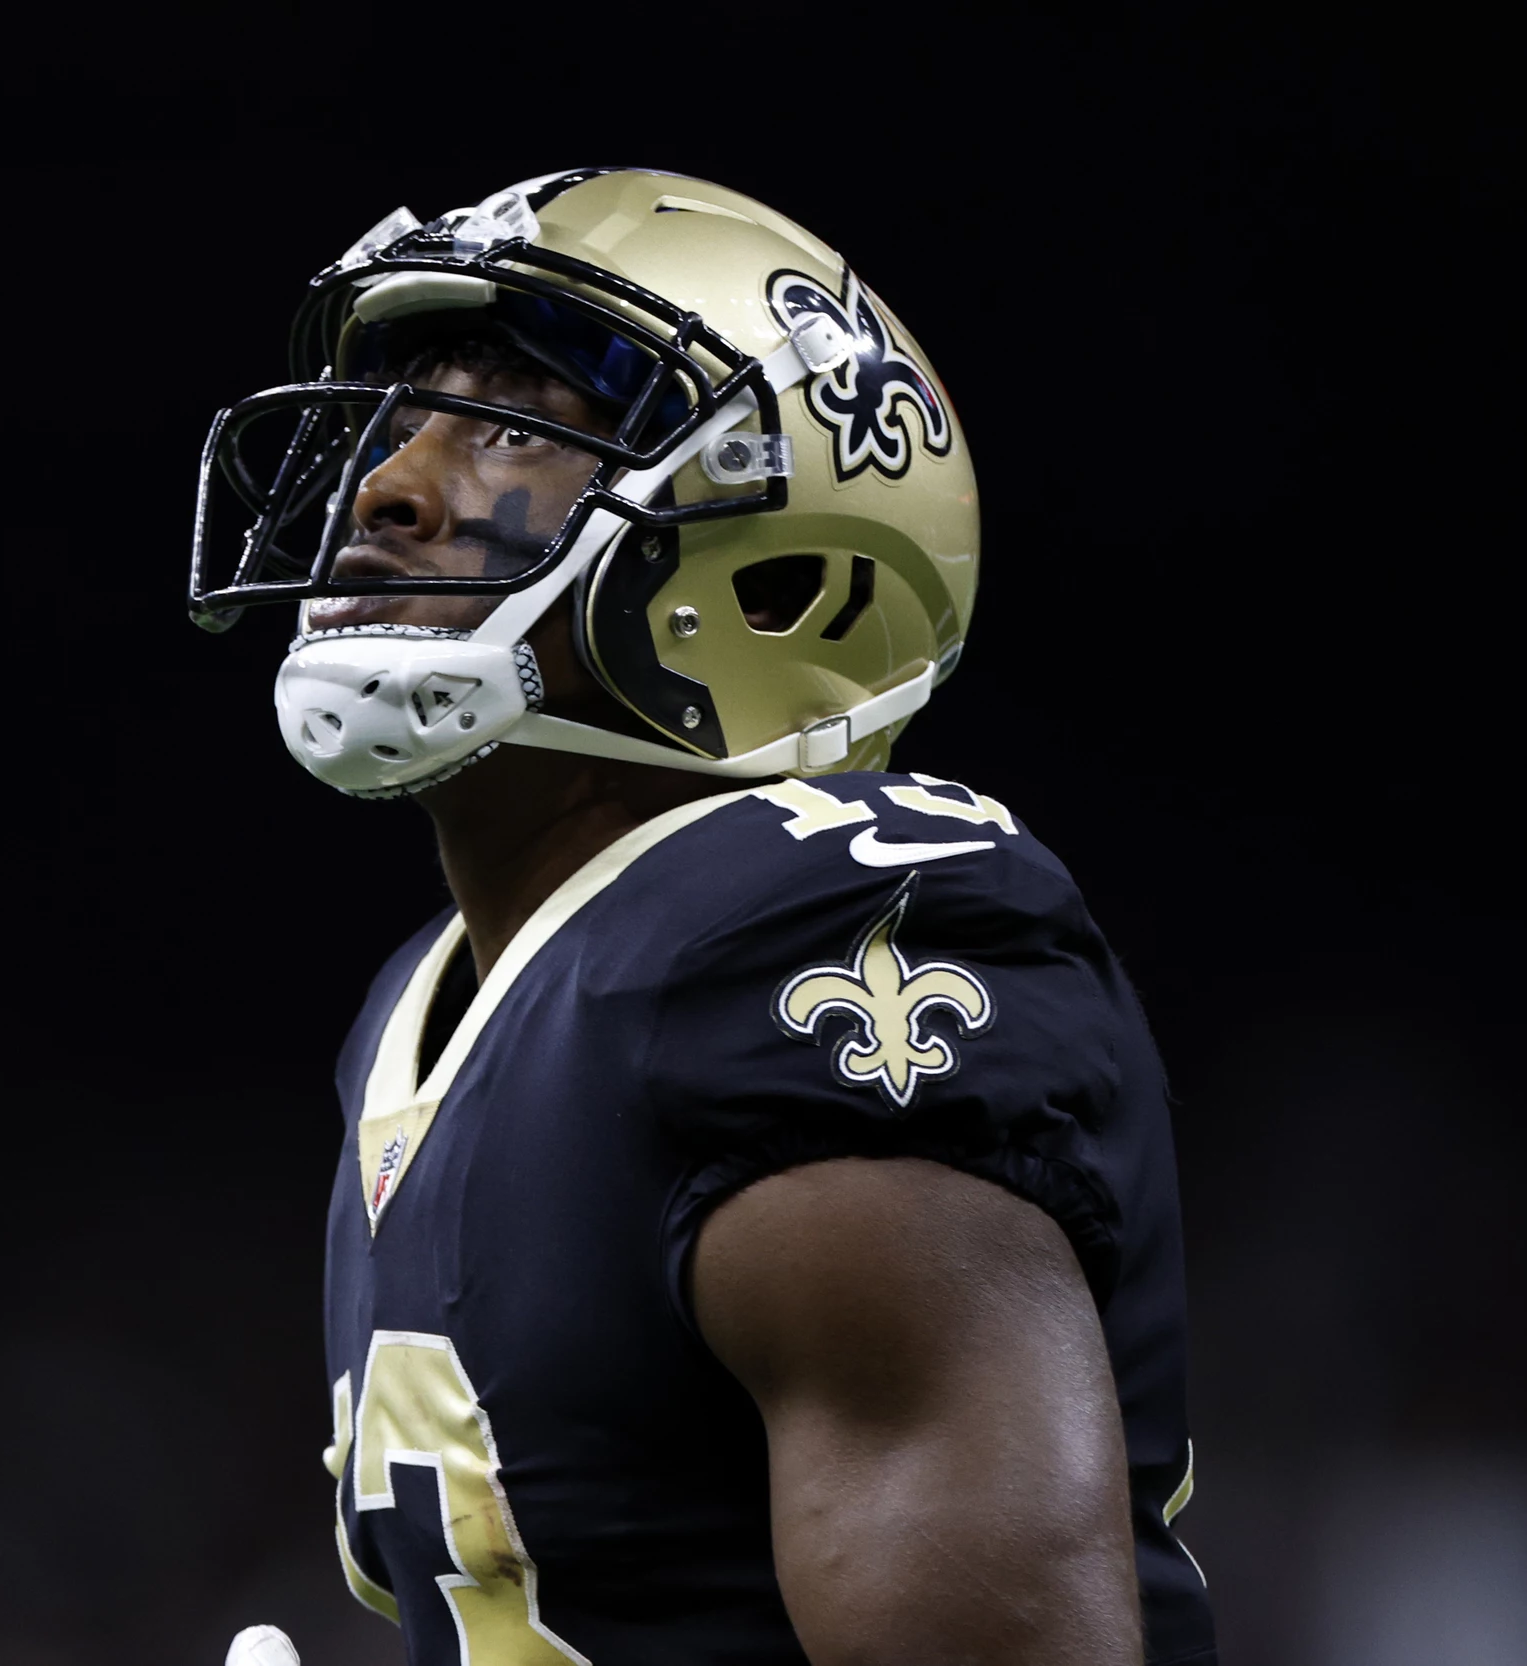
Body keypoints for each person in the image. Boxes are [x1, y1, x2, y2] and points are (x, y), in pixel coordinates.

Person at [192, 169, 1215, 1666]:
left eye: (510, 421)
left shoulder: (789, 943)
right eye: (400, 415)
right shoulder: (436, 1007)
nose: (390, 484)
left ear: (769, 560)